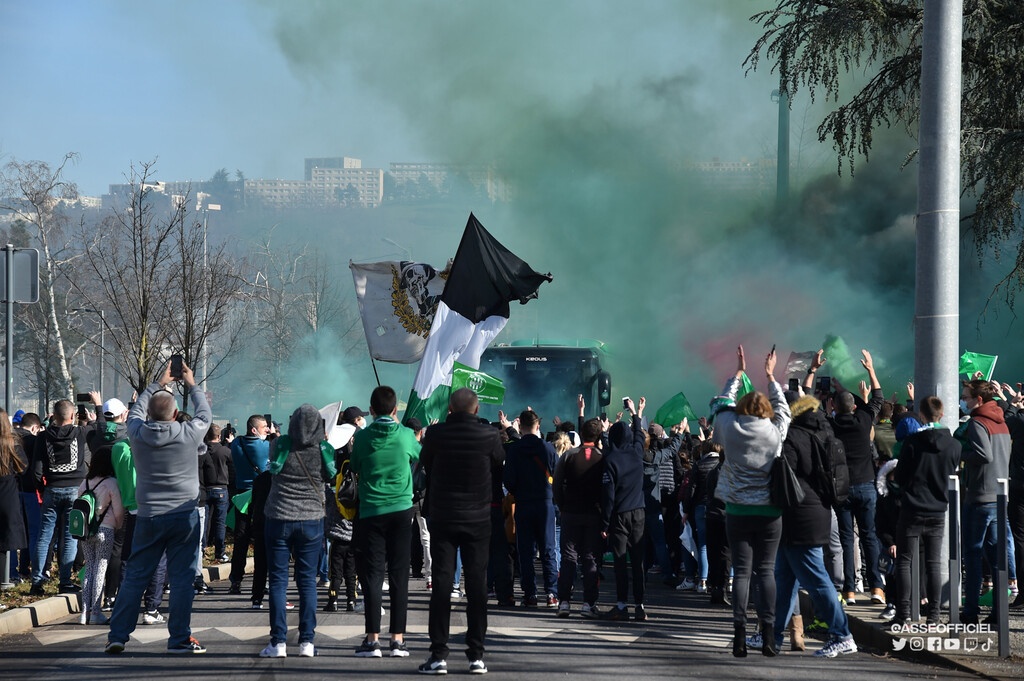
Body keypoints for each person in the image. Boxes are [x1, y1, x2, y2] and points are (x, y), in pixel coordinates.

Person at [104, 359, 212, 655]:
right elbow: (205, 413)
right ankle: (178, 638)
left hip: (149, 515)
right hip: (184, 516)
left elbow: (135, 413)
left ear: (148, 414)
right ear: (176, 414)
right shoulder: (189, 433)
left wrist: (157, 384)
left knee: (136, 575)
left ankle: (118, 635)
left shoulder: (137, 435)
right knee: (181, 580)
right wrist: (191, 384)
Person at [416, 388, 505, 675]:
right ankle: (476, 654)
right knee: (477, 586)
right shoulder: (489, 436)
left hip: (443, 516)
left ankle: (439, 653)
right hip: (478, 518)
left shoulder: (436, 435)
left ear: (450, 410)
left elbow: (426, 464)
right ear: (477, 410)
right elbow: (498, 465)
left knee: (442, 585)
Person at [713, 345, 790, 657]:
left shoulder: (729, 427)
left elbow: (721, 402)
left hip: (736, 509)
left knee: (742, 573)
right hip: (770, 510)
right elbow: (784, 408)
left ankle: (739, 636)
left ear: (742, 407)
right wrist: (771, 376)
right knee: (766, 572)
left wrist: (738, 373)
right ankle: (769, 634)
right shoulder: (775, 431)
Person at [768, 394, 857, 658]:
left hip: (800, 518)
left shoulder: (794, 437)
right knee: (784, 579)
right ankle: (771, 636)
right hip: (815, 512)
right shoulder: (823, 431)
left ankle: (842, 634)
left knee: (817, 579)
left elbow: (785, 476)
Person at [258, 404, 336, 658]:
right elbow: (330, 476)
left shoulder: (278, 446)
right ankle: (307, 642)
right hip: (312, 520)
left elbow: (271, 468)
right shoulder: (324, 450)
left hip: (279, 516)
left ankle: (278, 642)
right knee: (307, 583)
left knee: (278, 580)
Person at [350, 385, 421, 658]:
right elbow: (420, 455)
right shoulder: (405, 435)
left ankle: (372, 639)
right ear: (395, 410)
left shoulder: (364, 437)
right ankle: (398, 640)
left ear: (370, 410)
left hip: (371, 511)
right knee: (400, 575)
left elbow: (355, 465)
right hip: (402, 510)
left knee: (373, 575)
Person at [824, 348, 886, 606]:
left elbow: (812, 412)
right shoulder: (863, 420)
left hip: (842, 488)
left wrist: (812, 373)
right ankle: (876, 588)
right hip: (866, 486)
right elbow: (878, 399)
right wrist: (870, 369)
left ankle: (849, 590)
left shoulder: (832, 424)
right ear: (855, 407)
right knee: (870, 536)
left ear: (834, 408)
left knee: (848, 539)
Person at [892, 396, 961, 626]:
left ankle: (903, 615)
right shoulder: (954, 445)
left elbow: (900, 477)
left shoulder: (912, 442)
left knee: (904, 561)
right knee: (933, 563)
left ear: (921, 415)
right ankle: (933, 615)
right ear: (941, 414)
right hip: (938, 509)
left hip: (912, 508)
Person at [959, 378, 1012, 624]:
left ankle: (970, 612)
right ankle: (998, 611)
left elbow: (983, 455)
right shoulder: (1001, 422)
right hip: (999, 496)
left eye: (966, 397)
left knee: (972, 555)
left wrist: (958, 452)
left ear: (978, 400)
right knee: (996, 555)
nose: (964, 400)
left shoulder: (977, 423)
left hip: (980, 497)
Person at [30, 400, 89, 596]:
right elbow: (100, 428)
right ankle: (64, 581)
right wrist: (95, 409)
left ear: (53, 416)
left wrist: (42, 487)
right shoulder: (80, 433)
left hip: (52, 489)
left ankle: (37, 581)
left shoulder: (43, 437)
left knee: (44, 535)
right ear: (72, 416)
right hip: (75, 489)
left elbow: (37, 470)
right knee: (70, 536)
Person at [503, 409, 559, 607]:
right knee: (548, 549)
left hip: (524, 503)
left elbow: (508, 479)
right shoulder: (548, 448)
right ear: (538, 425)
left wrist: (519, 491)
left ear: (521, 426)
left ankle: (530, 594)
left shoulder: (515, 450)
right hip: (545, 502)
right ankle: (552, 593)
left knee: (525, 551)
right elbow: (557, 474)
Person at [600, 397, 648, 621]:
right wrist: (636, 413)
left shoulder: (610, 459)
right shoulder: (638, 453)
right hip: (639, 512)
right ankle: (640, 605)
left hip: (619, 515)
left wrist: (604, 523)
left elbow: (608, 496)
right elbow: (639, 435)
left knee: (620, 561)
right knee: (637, 561)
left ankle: (621, 605)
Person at [553, 414, 606, 618]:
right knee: (590, 558)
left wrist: (563, 505)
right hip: (593, 514)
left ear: (581, 434)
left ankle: (564, 601)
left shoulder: (568, 456)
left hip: (571, 513)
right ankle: (588, 603)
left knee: (568, 557)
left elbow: (557, 484)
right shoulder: (602, 457)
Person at [77, 445, 124, 625]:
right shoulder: (111, 482)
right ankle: (96, 611)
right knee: (101, 567)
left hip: (86, 531)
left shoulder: (85, 482)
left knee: (89, 567)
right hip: (105, 529)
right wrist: (117, 525)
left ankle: (84, 612)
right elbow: (118, 510)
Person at [228, 414, 271, 597]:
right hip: (260, 496)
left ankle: (235, 580)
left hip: (240, 497)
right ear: (254, 430)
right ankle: (264, 581)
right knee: (263, 539)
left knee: (241, 539)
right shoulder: (265, 446)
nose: (267, 430)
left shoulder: (236, 444)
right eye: (264, 427)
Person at [1, 409, 28, 607]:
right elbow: (23, 467)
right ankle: (5, 579)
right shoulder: (13, 445)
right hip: (8, 494)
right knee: (5, 540)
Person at [203, 424, 232, 564]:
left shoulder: (202, 450)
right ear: (219, 436)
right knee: (220, 522)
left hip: (205, 488)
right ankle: (220, 552)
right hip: (221, 488)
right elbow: (233, 466)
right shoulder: (225, 451)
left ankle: (202, 549)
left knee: (204, 521)